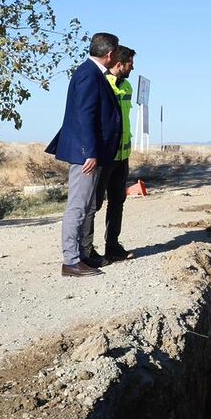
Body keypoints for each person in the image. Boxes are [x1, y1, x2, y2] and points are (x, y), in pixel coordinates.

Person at [46, 32, 122, 277]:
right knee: (78, 207)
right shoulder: (89, 75)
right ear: (109, 54)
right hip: (85, 156)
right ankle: (71, 261)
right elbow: (84, 116)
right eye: (117, 51)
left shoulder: (93, 74)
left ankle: (82, 256)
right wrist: (88, 152)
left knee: (86, 205)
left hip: (93, 154)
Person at [86, 45, 136, 262]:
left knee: (118, 201)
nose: (133, 68)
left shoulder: (128, 87)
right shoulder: (102, 84)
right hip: (105, 157)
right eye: (130, 64)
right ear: (119, 64)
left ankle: (113, 245)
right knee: (93, 204)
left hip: (122, 157)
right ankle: (87, 249)